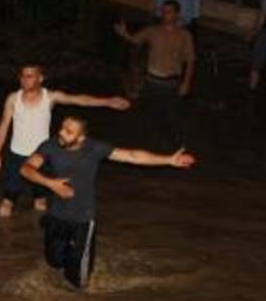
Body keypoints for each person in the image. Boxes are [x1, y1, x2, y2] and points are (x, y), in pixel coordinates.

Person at [19, 116, 195, 289]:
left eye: (69, 132)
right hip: (56, 215)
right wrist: (51, 184)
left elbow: (132, 156)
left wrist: (169, 160)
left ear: (81, 138)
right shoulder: (50, 146)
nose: (61, 133)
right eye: (62, 128)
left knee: (78, 283)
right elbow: (26, 168)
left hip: (82, 219)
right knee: (53, 263)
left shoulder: (94, 148)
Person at [0, 64, 129, 218]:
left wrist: (107, 101)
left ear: (40, 78)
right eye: (23, 76)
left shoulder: (50, 97)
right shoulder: (13, 99)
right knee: (5, 208)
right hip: (16, 154)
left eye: (30, 76)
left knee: (40, 205)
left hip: (41, 157)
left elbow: (78, 99)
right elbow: (3, 125)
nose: (25, 79)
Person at [113, 0, 195, 149]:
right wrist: (124, 33)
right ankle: (152, 145)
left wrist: (186, 82)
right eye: (163, 11)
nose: (165, 15)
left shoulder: (184, 35)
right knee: (152, 114)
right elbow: (135, 40)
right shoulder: (153, 31)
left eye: (169, 12)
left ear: (177, 15)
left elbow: (190, 60)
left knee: (172, 116)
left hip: (172, 82)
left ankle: (175, 145)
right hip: (153, 81)